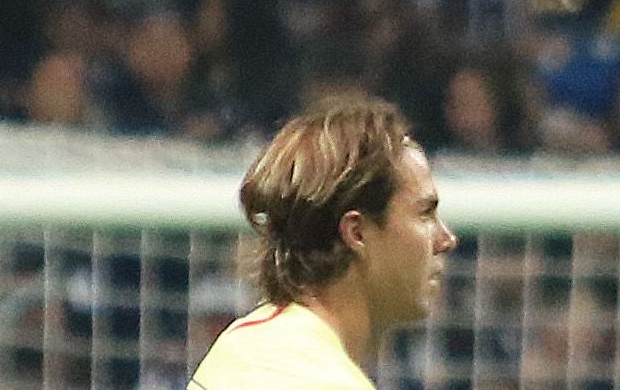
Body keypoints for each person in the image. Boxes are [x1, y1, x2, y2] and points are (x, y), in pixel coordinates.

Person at [190, 96, 458, 388]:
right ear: (357, 233)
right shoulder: (315, 379)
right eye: (425, 213)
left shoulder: (245, 342)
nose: (446, 239)